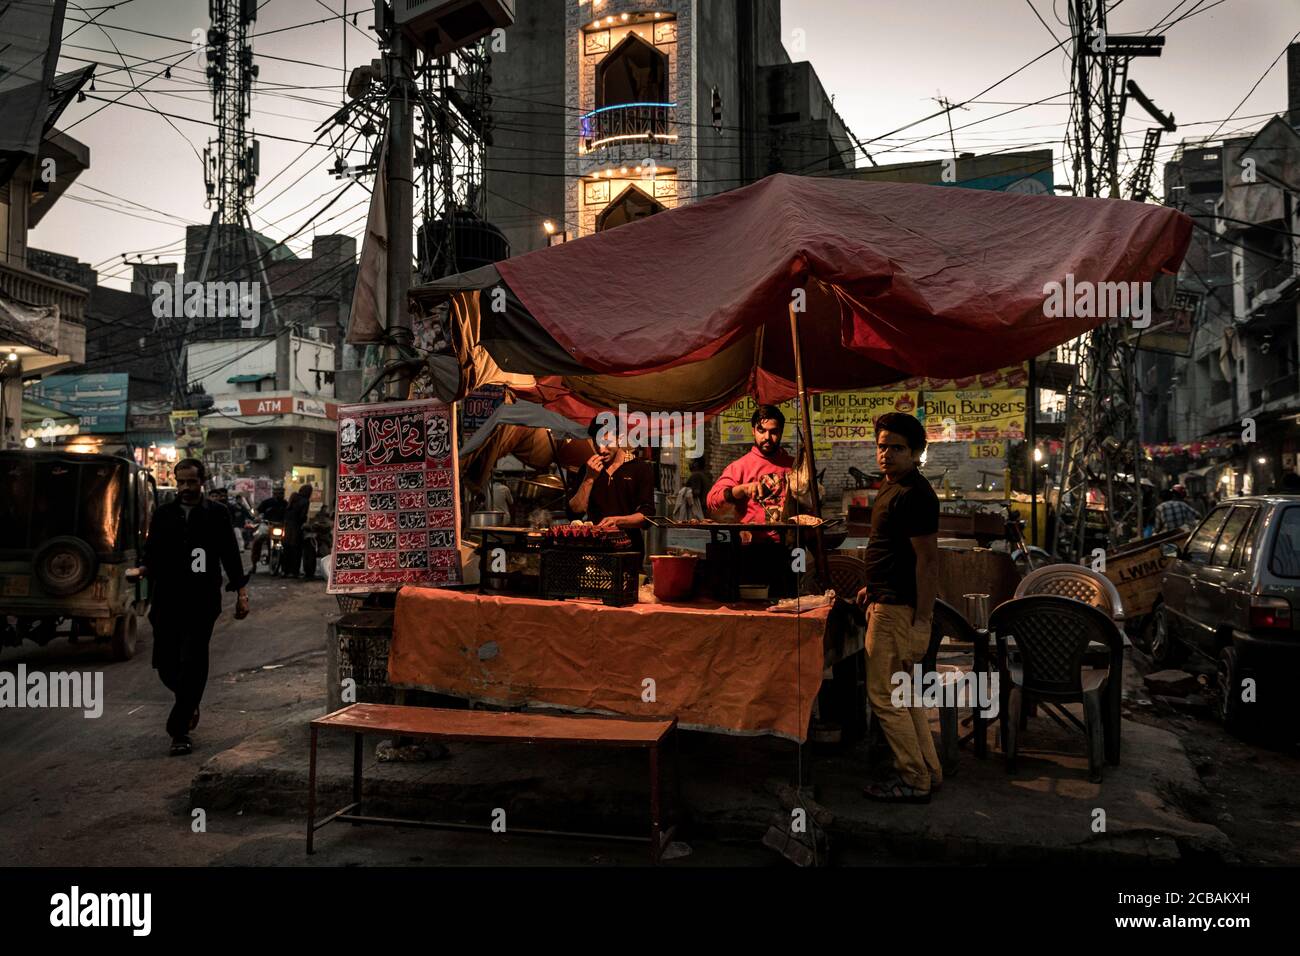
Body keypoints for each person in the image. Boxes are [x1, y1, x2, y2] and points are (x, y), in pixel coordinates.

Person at [854, 412, 942, 804]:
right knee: (904, 696)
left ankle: (913, 779)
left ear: (916, 452)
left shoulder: (916, 495)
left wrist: (923, 620)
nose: (886, 454)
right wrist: (870, 588)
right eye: (882, 446)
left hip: (896, 611)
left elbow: (927, 562)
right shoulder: (891, 487)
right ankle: (929, 771)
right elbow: (890, 551)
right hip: (883, 599)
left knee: (885, 698)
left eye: (897, 448)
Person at [140, 458, 249, 757]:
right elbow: (152, 552)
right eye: (181, 482)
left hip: (202, 601)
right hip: (167, 599)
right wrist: (143, 569)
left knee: (194, 660)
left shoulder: (217, 515)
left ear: (203, 481)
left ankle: (179, 730)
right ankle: (189, 700)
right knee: (165, 664)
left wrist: (241, 592)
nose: (186, 488)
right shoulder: (163, 515)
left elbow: (229, 553)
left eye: (191, 482)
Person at [706, 404, 795, 594]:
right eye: (761, 431)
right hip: (755, 548)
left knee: (795, 593)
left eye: (773, 432)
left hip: (794, 549)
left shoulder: (794, 465)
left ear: (781, 432)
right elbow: (712, 500)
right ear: (753, 430)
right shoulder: (740, 467)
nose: (767, 438)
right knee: (756, 601)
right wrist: (741, 490)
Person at [569, 416, 655, 557]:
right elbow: (574, 513)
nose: (601, 450)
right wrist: (589, 479)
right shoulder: (587, 469)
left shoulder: (641, 468)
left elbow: (648, 515)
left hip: (629, 548)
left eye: (606, 442)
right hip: (594, 548)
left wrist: (617, 520)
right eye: (597, 444)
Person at [251, 485, 288, 569]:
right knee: (257, 540)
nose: (279, 495)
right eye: (277, 493)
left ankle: (285, 566)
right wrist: (256, 517)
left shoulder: (286, 504)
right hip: (267, 525)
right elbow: (258, 511)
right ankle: (254, 564)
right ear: (273, 493)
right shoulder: (267, 502)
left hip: (280, 527)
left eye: (281, 493)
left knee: (287, 543)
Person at [282, 484, 312, 578]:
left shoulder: (293, 497)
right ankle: (295, 572)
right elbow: (302, 516)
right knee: (296, 550)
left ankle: (285, 571)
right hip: (296, 527)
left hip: (287, 527)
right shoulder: (305, 501)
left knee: (287, 549)